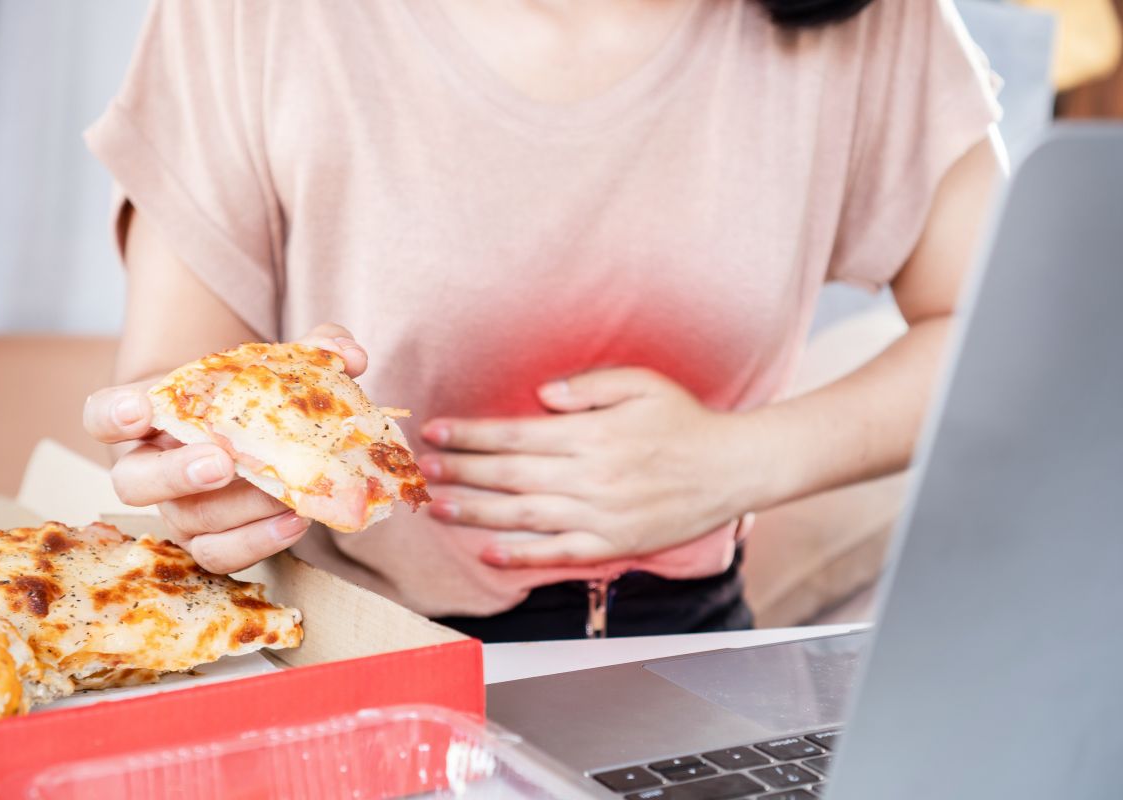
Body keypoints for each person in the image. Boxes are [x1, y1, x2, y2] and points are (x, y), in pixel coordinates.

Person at [82, 0, 1004, 642]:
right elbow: (176, 374)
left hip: (691, 647)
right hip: (352, 651)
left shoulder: (879, 20)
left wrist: (745, 459)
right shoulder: (246, 14)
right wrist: (205, 471)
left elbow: (1012, 329)